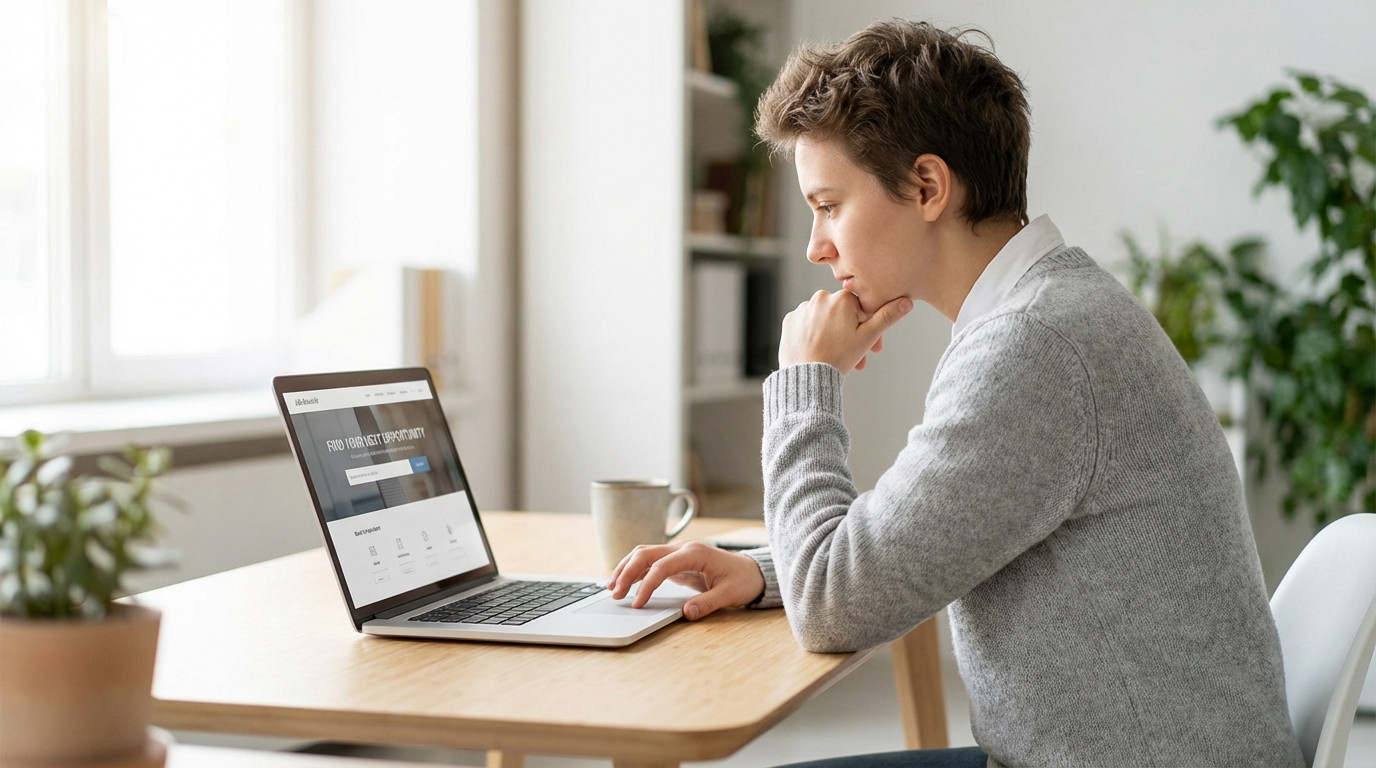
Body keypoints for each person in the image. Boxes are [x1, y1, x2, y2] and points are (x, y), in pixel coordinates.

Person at [608, 18, 1304, 768]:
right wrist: (767, 573)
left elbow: (832, 607)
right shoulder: (1043, 313)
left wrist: (806, 381)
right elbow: (917, 540)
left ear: (928, 186)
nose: (816, 245)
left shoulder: (1034, 347)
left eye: (830, 204)